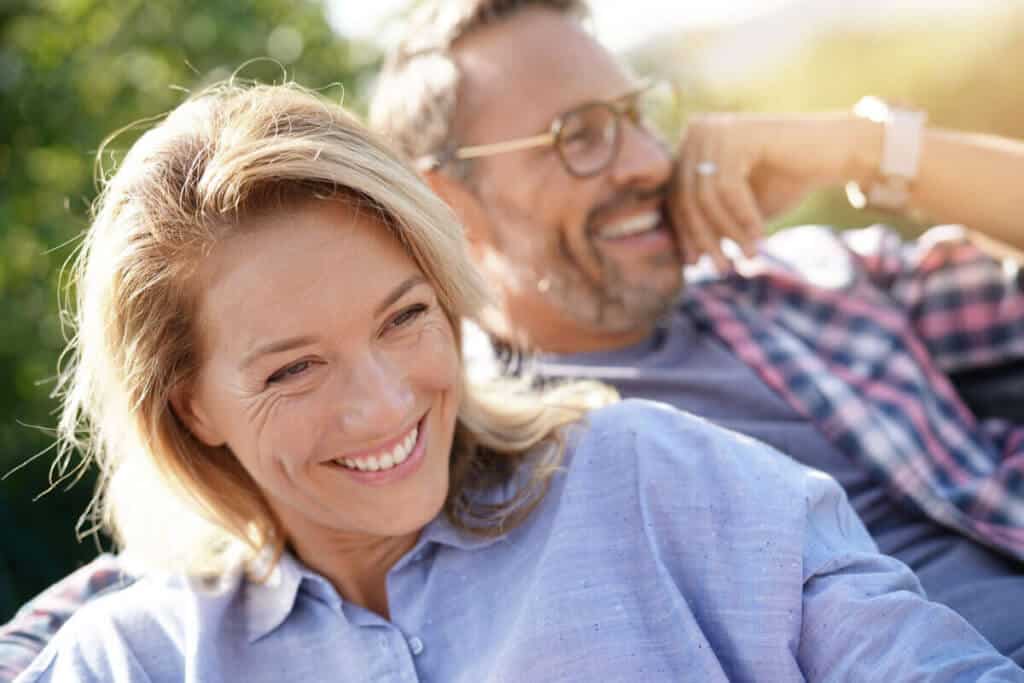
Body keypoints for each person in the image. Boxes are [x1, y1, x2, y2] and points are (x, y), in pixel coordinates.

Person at [7, 80, 1024, 682]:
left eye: (404, 317)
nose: (382, 404)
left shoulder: (653, 474)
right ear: (189, 403)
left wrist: (867, 141)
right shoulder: (135, 652)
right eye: (292, 367)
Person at [367, 0, 1024, 661]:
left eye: (637, 116)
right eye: (582, 136)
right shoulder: (466, 456)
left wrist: (864, 147)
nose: (651, 162)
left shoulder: (804, 280)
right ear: (449, 207)